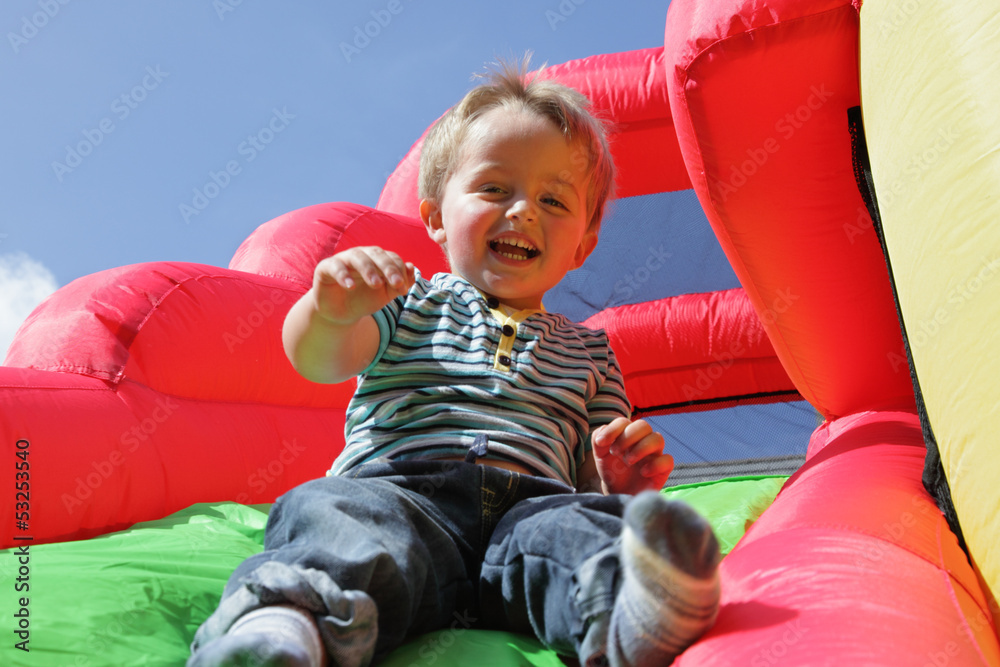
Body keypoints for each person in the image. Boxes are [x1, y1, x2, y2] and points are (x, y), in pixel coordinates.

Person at [188, 60, 720, 667]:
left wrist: (615, 477)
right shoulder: (407, 298)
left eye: (553, 199)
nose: (522, 211)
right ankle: (287, 627)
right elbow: (319, 359)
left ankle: (629, 606)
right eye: (494, 188)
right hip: (403, 489)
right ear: (437, 216)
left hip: (531, 507)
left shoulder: (591, 352)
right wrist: (331, 312)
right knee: (336, 517)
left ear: (583, 246)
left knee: (580, 531)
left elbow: (588, 473)